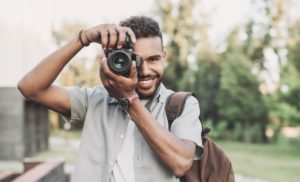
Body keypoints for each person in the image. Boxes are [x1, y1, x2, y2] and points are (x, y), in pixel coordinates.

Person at [18, 16, 203, 182]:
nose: (145, 71)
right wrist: (84, 39)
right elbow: (30, 88)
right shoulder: (95, 100)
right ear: (117, 60)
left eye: (153, 59)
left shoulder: (182, 104)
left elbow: (180, 163)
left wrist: (129, 99)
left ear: (164, 57)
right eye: (136, 60)